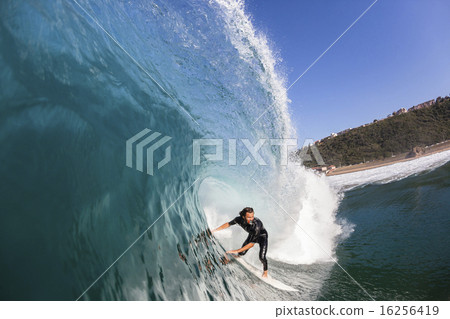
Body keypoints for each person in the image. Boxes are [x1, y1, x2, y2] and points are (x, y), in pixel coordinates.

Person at [212, 207, 268, 277]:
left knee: (262, 257)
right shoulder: (238, 219)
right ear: (243, 216)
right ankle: (234, 259)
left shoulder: (256, 226)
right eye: (249, 217)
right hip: (252, 235)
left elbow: (251, 244)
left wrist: (235, 250)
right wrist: (215, 230)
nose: (251, 219)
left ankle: (265, 273)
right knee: (241, 253)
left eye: (252, 216)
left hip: (262, 237)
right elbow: (228, 224)